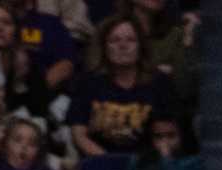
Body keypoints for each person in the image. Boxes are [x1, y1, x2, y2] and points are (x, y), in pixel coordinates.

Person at [67, 14, 178, 155]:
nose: (123, 45)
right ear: (104, 47)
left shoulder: (159, 82)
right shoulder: (88, 83)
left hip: (146, 165)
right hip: (99, 161)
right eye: (114, 40)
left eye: (130, 40)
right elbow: (79, 135)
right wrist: (110, 163)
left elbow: (167, 136)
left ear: (140, 47)